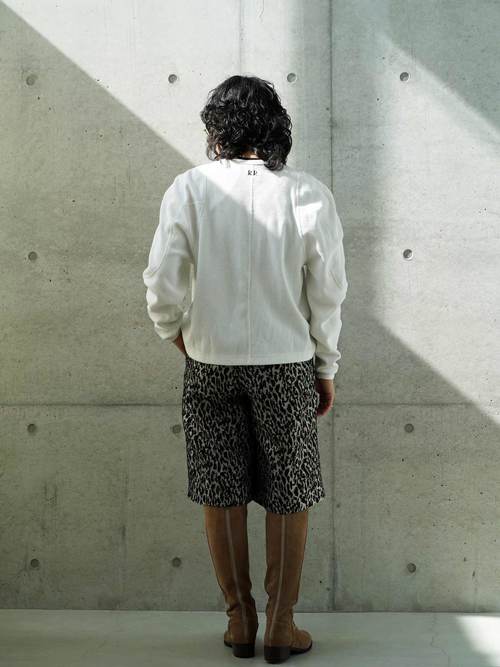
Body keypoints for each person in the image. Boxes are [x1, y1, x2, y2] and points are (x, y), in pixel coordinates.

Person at [142, 74, 348, 663]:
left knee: (219, 485)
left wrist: (178, 335)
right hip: (286, 365)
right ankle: (281, 626)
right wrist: (326, 366)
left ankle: (240, 622)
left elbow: (162, 282)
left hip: (210, 362)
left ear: (218, 128)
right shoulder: (306, 193)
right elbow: (328, 292)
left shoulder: (189, 188)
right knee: (290, 490)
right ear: (275, 125)